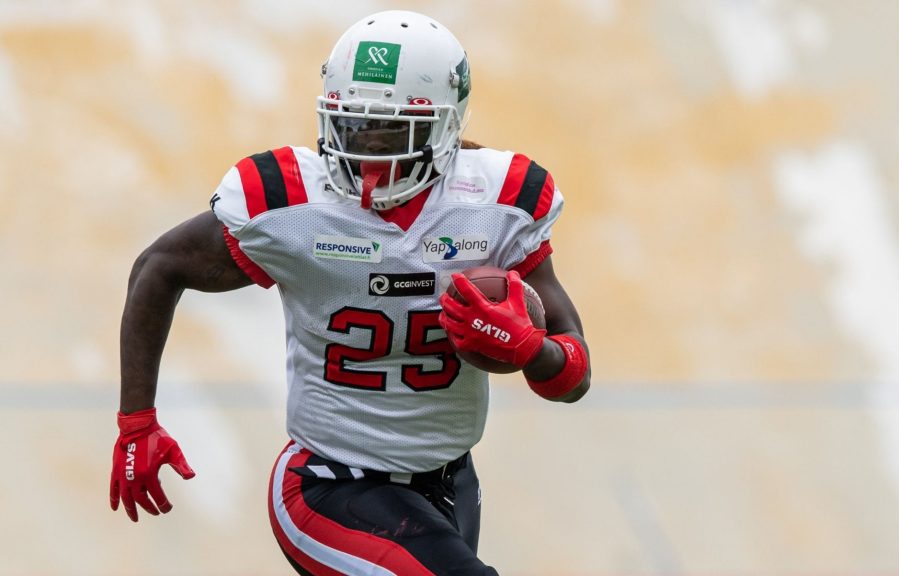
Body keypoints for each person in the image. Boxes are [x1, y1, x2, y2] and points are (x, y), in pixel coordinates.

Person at [109, 9, 591, 576]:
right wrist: (136, 422)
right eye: (352, 125)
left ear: (444, 127)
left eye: (390, 130)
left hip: (450, 481)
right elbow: (159, 267)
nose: (367, 148)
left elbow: (575, 376)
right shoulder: (293, 203)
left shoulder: (495, 203)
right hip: (326, 483)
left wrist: (533, 350)